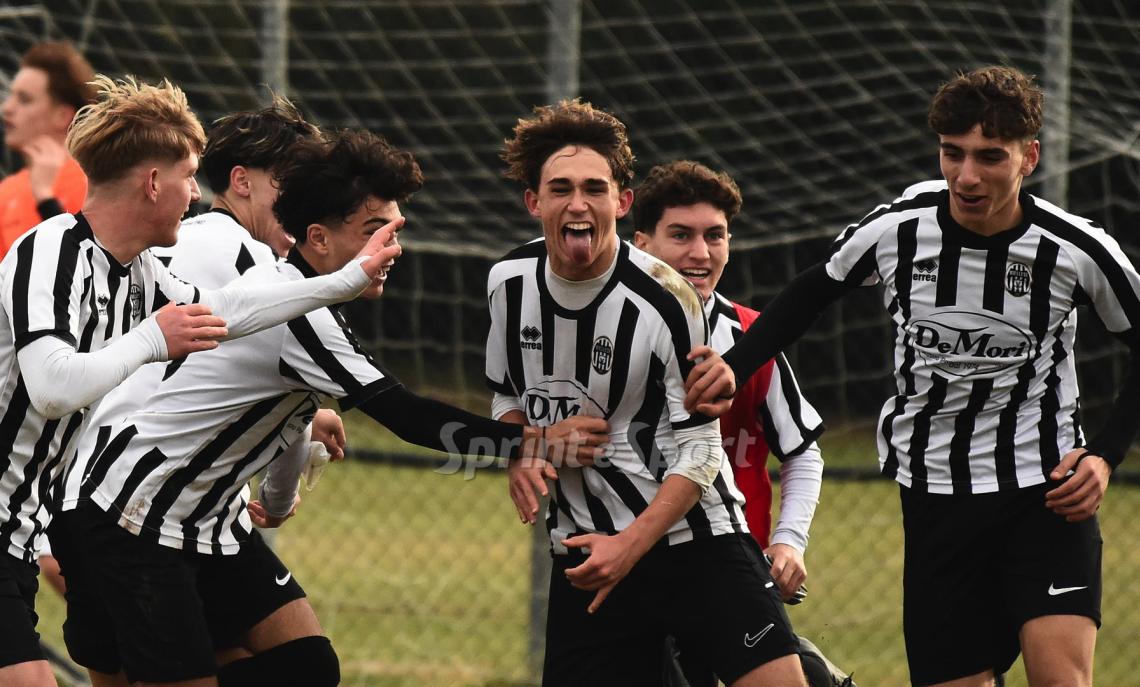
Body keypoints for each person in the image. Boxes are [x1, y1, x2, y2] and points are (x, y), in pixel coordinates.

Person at [64, 128, 609, 687]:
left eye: (397, 230)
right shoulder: (300, 311)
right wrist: (535, 440)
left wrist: (278, 497)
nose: (392, 248)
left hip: (200, 519)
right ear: (319, 239)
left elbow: (286, 421)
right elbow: (405, 414)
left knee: (307, 666)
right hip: (135, 516)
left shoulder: (302, 293)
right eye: (376, 232)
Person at [684, 65, 1140, 687]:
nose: (967, 176)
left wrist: (1106, 455)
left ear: (1028, 157)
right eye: (953, 154)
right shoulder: (899, 226)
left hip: (1046, 489)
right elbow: (812, 292)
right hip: (934, 493)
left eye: (989, 157)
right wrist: (734, 366)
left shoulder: (1074, 249)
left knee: (1061, 679)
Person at [0, 75, 402, 687]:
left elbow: (231, 313)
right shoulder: (51, 250)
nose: (196, 193)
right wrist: (151, 339)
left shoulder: (136, 271)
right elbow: (52, 386)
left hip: (22, 524)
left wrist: (344, 280)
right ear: (153, 182)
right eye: (189, 176)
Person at [493, 99, 809, 686]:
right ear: (534, 202)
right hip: (587, 553)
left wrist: (629, 546)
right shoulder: (507, 285)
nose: (578, 203)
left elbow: (703, 453)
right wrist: (522, 447)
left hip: (698, 543)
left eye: (595, 187)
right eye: (560, 188)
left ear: (622, 200)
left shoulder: (669, 300)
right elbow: (504, 399)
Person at [48, 95, 338, 687]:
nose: (308, 199)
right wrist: (288, 473)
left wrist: (304, 428)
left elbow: (232, 382)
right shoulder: (231, 252)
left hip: (179, 506)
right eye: (293, 182)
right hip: (122, 499)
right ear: (243, 182)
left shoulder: (209, 247)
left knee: (300, 664)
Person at [631, 160, 854, 687]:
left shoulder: (752, 336)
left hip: (732, 570)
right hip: (635, 567)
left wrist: (789, 541)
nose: (700, 254)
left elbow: (802, 451)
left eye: (716, 236)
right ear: (641, 242)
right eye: (680, 235)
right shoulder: (611, 332)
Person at [0, 41, 95, 257]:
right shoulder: (7, 190)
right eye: (11, 96)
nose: (7, 109)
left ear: (62, 115)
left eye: (24, 100)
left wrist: (45, 198)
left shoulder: (96, 183)